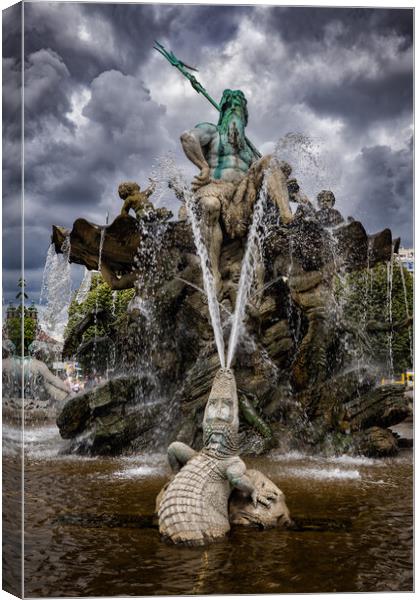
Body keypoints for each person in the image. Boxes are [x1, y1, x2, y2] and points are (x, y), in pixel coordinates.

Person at [180, 88, 293, 290]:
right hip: (215, 188)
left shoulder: (249, 151)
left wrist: (283, 177)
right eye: (229, 106)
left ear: (245, 117)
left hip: (242, 196)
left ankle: (288, 218)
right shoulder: (212, 131)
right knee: (209, 205)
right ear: (222, 112)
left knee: (269, 160)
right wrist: (203, 167)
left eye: (238, 108)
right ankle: (213, 273)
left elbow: (273, 173)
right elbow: (187, 138)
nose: (234, 109)